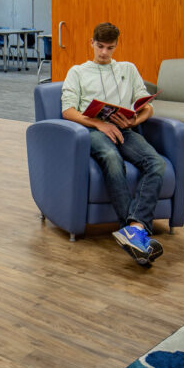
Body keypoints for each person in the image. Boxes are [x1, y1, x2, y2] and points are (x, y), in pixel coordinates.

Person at [60, 22, 166, 267]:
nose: (104, 53)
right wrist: (99, 124)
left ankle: (136, 227)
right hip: (92, 129)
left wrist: (135, 119)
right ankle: (132, 232)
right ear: (92, 43)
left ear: (117, 46)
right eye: (100, 46)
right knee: (112, 158)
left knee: (156, 163)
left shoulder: (128, 69)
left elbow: (146, 105)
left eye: (110, 47)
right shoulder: (77, 72)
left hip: (125, 129)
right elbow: (67, 110)